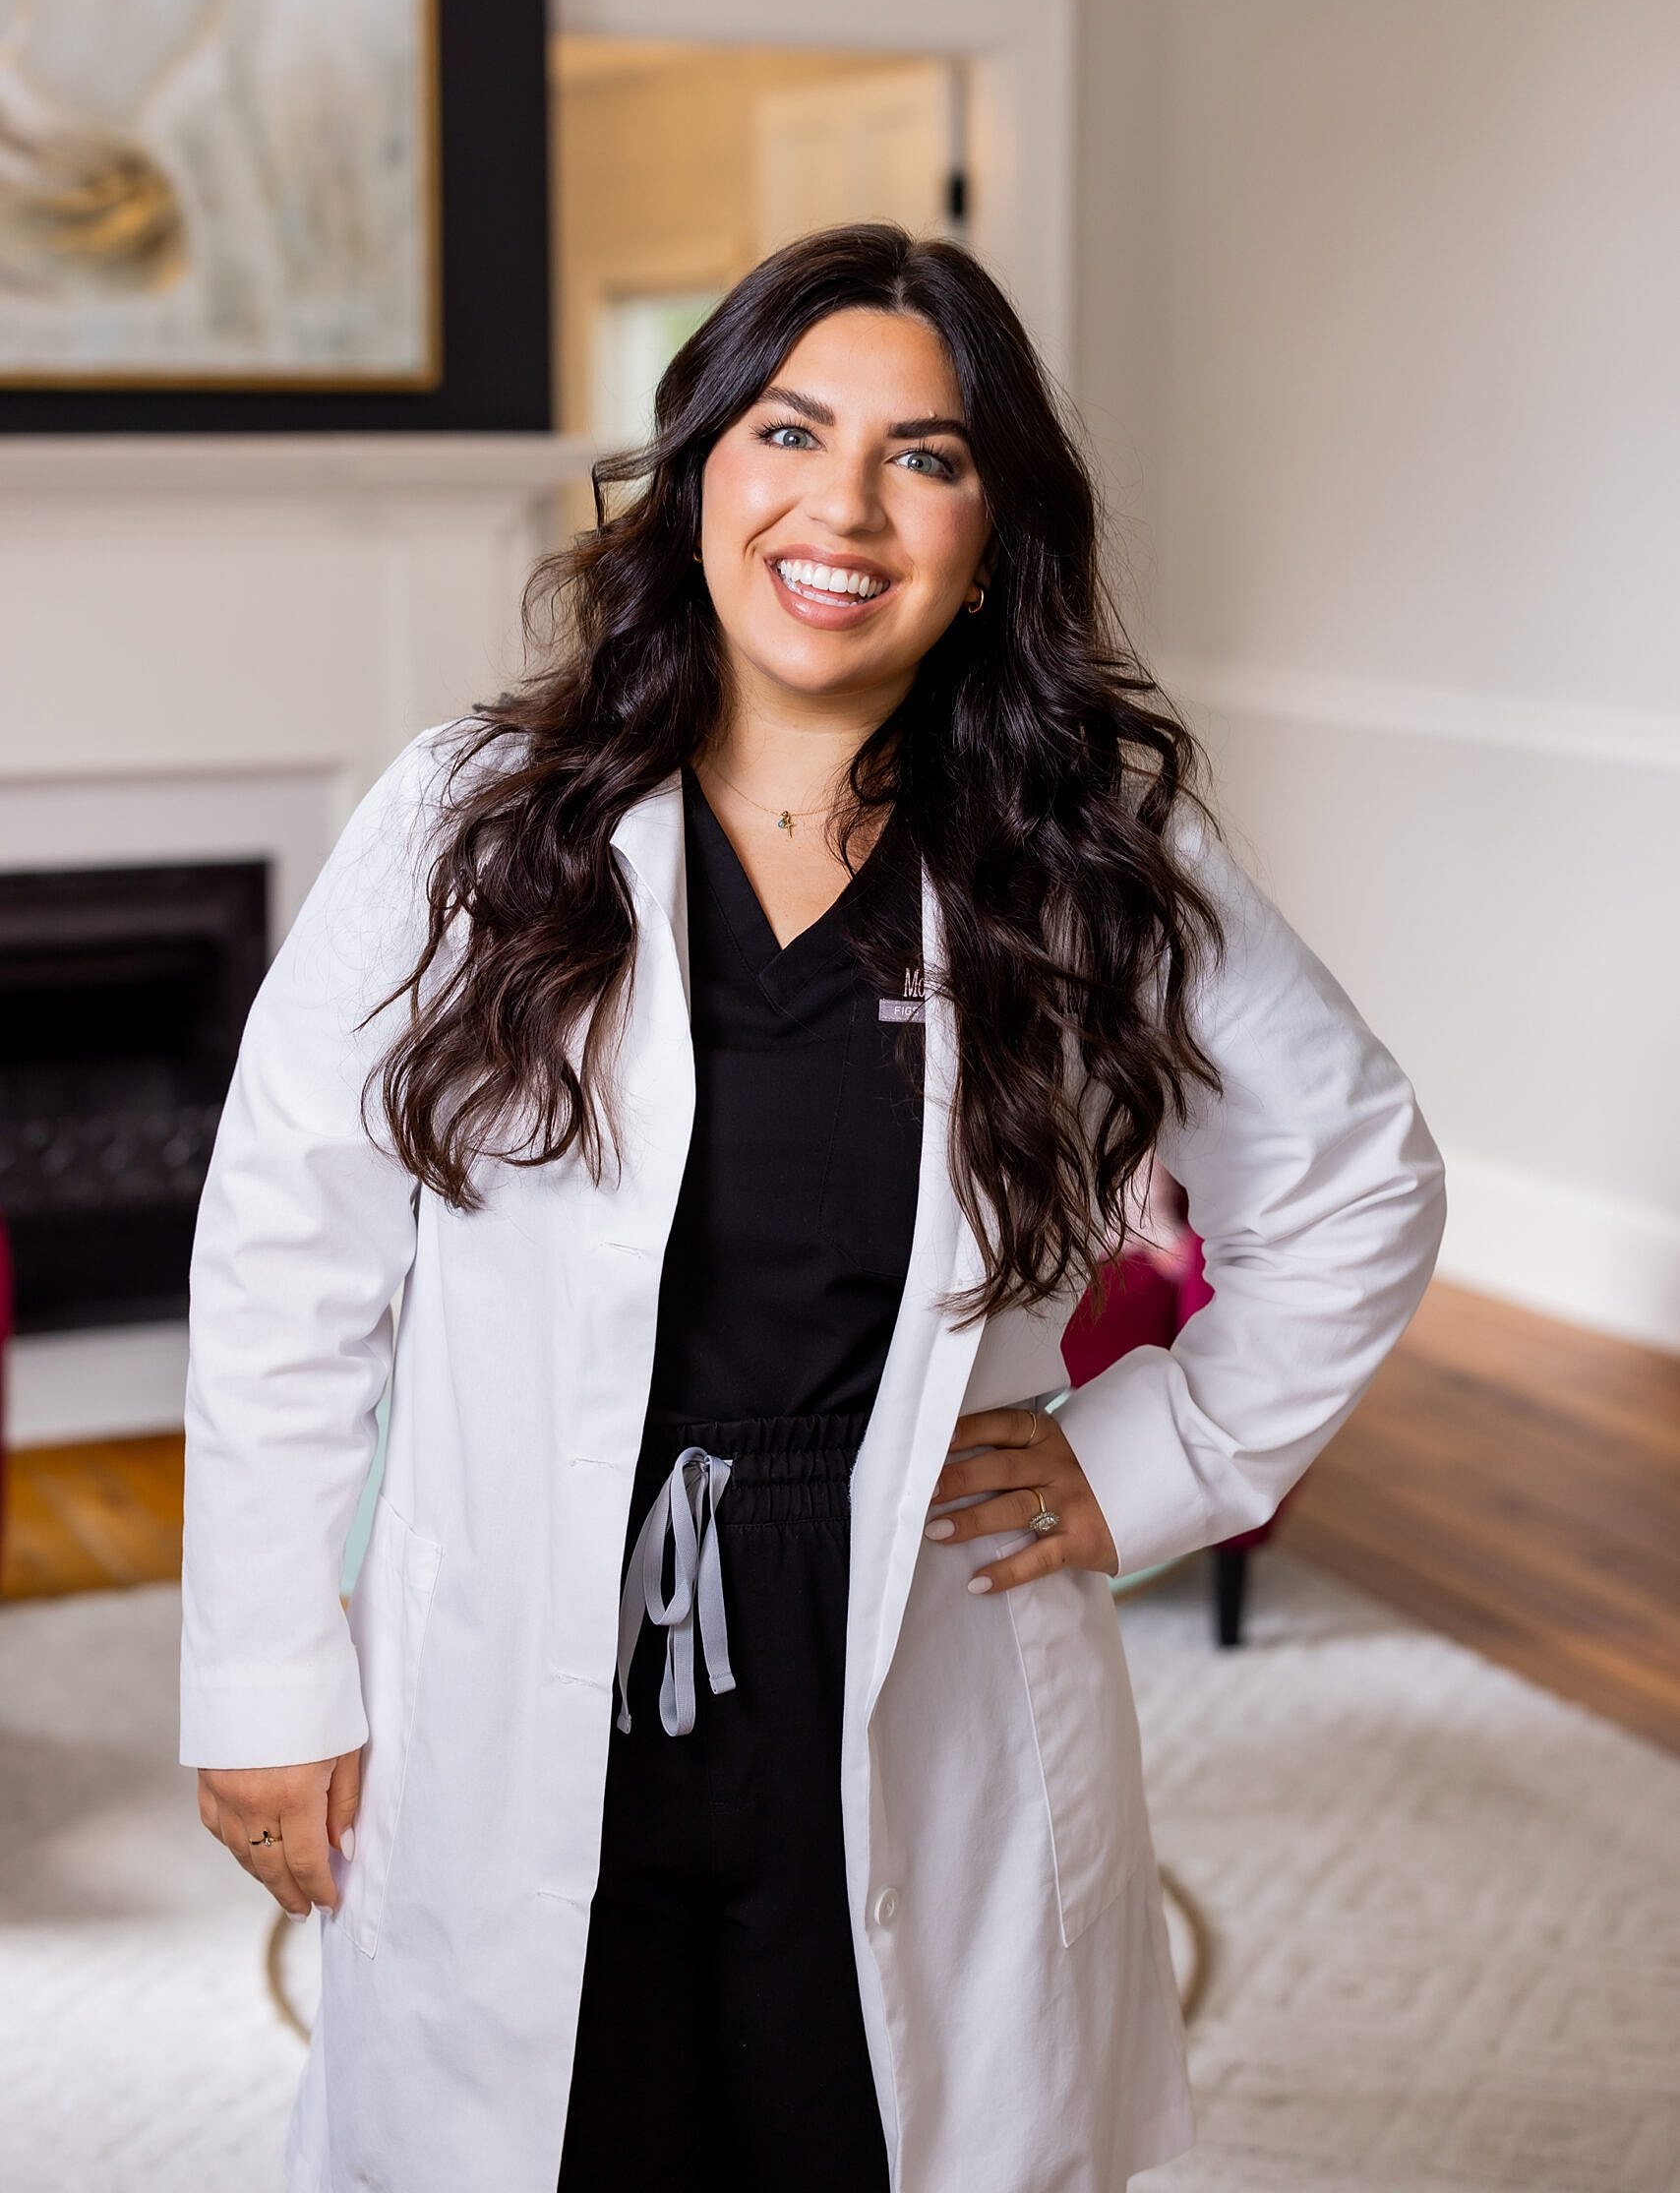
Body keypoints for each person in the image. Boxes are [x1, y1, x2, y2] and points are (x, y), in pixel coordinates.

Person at [180, 221, 1447, 2193]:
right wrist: (267, 1675)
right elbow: (287, 1250)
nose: (841, 504)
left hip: (901, 1618)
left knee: (865, 2118)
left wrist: (1156, 1448)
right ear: (698, 469)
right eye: (788, 429)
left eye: (924, 455)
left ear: (986, 530)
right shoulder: (469, 819)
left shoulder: (1078, 854)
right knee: (551, 2129)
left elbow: (1354, 1171)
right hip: (530, 1632)